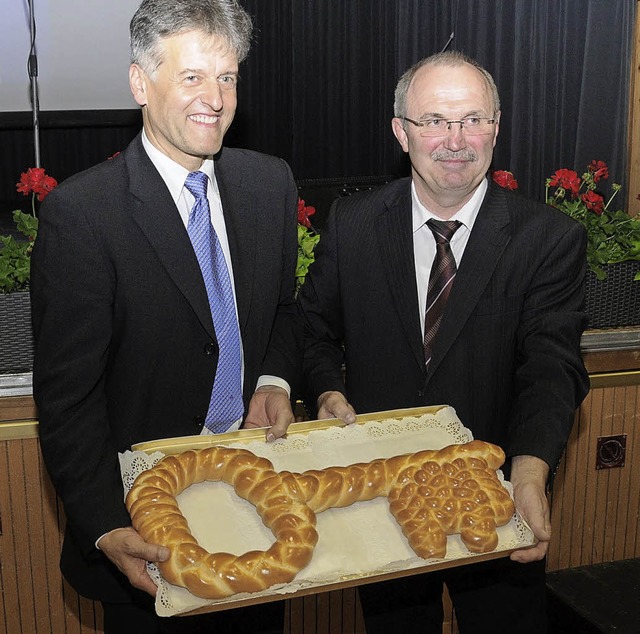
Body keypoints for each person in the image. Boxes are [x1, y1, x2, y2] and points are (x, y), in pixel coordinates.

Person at [30, 0, 300, 631]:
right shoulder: (83, 217)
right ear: (139, 83)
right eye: (192, 77)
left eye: (228, 77)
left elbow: (284, 312)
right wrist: (105, 527)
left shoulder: (270, 185)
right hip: (144, 531)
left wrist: (271, 380)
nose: (216, 98)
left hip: (254, 506)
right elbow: (68, 400)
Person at [298, 50, 590, 633]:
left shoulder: (549, 239)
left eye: (473, 119)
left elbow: (551, 369)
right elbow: (312, 332)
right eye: (434, 121)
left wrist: (530, 474)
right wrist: (327, 389)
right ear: (401, 132)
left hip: (500, 500)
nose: (455, 140)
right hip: (383, 501)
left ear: (496, 127)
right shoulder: (352, 225)